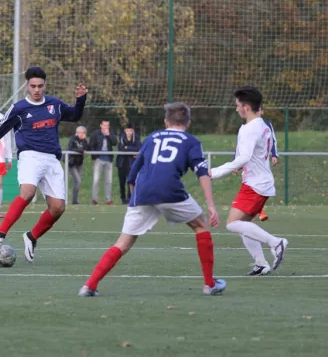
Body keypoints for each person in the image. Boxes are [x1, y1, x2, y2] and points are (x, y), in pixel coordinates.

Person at [78, 102, 226, 297]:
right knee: (201, 225)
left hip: (142, 192)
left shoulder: (151, 138)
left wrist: (134, 202)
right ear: (188, 123)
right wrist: (211, 206)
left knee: (123, 243)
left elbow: (133, 174)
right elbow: (202, 173)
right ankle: (209, 284)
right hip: (170, 189)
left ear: (166, 122)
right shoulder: (191, 141)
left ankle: (89, 286)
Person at [0, 66, 87, 262]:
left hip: (52, 160)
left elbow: (74, 115)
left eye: (40, 86)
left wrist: (80, 100)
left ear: (45, 85)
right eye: (33, 86)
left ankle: (31, 237)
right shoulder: (19, 109)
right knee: (28, 192)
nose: (37, 89)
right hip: (30, 156)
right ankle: (0, 235)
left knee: (58, 208)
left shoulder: (54, 105)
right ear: (27, 86)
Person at [210, 86, 288, 276]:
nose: (236, 109)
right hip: (258, 182)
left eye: (237, 105)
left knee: (232, 223)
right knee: (244, 225)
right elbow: (249, 153)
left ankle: (276, 243)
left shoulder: (250, 129)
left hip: (256, 185)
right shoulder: (261, 125)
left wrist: (216, 171)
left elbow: (245, 156)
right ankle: (261, 264)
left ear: (246, 107)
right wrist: (239, 164)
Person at [257, 108, 278, 222]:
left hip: (263, 162)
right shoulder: (247, 125)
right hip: (250, 162)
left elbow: (273, 140)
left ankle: (258, 210)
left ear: (262, 112)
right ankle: (259, 211)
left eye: (260, 110)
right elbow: (239, 145)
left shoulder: (267, 125)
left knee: (265, 186)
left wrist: (274, 155)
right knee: (251, 186)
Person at [90, 120, 117, 204]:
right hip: (99, 159)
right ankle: (95, 199)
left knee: (108, 181)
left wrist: (108, 135)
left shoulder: (111, 133)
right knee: (96, 180)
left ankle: (108, 200)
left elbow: (115, 143)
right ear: (101, 125)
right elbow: (91, 145)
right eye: (104, 125)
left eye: (107, 125)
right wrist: (95, 157)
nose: (106, 127)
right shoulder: (96, 134)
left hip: (108, 160)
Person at [116, 123, 141, 204]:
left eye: (130, 131)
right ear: (125, 131)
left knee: (130, 181)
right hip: (122, 163)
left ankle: (130, 198)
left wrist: (127, 148)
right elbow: (121, 148)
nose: (129, 132)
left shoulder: (136, 137)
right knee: (121, 181)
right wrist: (131, 150)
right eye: (127, 130)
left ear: (132, 131)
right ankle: (123, 198)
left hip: (131, 163)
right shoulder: (121, 137)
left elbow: (138, 148)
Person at [67, 126, 89, 205]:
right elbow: (71, 148)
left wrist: (84, 140)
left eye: (82, 132)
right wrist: (81, 151)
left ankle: (74, 201)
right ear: (76, 132)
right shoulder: (73, 139)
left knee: (77, 183)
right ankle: (73, 200)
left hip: (79, 163)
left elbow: (87, 149)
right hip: (72, 163)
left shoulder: (84, 140)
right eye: (79, 132)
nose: (81, 134)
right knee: (78, 181)